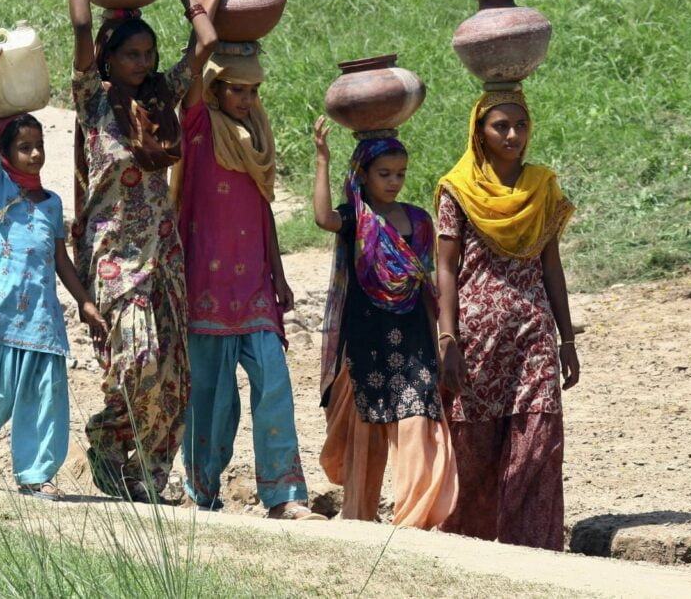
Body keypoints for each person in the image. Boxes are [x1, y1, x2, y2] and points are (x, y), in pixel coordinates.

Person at [66, 0, 235, 503]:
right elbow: (83, 27)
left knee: (173, 374)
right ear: (108, 61)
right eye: (131, 54)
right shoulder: (93, 100)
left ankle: (142, 474)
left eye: (148, 53)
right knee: (135, 363)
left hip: (161, 252)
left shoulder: (161, 98)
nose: (142, 63)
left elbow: (206, 44)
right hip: (113, 255)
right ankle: (108, 442)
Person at [0, 44, 108, 501]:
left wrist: (84, 300)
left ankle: (35, 475)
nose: (35, 154)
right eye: (24, 148)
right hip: (3, 316)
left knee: (45, 398)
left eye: (39, 146)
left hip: (43, 321)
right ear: (5, 156)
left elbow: (59, 258)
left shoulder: (51, 203)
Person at [174, 37, 320, 520]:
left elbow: (263, 208)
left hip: (254, 283)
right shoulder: (197, 129)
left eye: (253, 91)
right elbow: (189, 80)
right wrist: (202, 13)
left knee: (274, 384)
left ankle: (284, 495)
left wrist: (278, 271)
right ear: (215, 90)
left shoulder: (257, 135)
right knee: (212, 397)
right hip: (207, 285)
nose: (247, 100)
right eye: (237, 90)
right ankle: (201, 492)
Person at [434, 87, 579, 549]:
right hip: (477, 338)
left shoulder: (542, 186)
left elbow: (551, 265)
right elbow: (446, 268)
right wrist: (447, 338)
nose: (513, 134)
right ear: (479, 131)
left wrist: (567, 339)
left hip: (533, 331)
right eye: (501, 126)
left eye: (520, 125)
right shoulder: (457, 188)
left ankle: (532, 550)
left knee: (538, 441)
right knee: (473, 450)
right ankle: (468, 549)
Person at [313, 118, 458, 528]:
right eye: (384, 175)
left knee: (417, 419)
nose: (394, 182)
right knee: (369, 426)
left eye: (400, 174)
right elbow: (323, 218)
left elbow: (430, 288)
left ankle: (416, 520)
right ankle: (357, 515)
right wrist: (322, 159)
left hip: (413, 339)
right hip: (366, 340)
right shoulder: (356, 220)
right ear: (362, 175)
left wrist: (443, 343)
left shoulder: (420, 221)